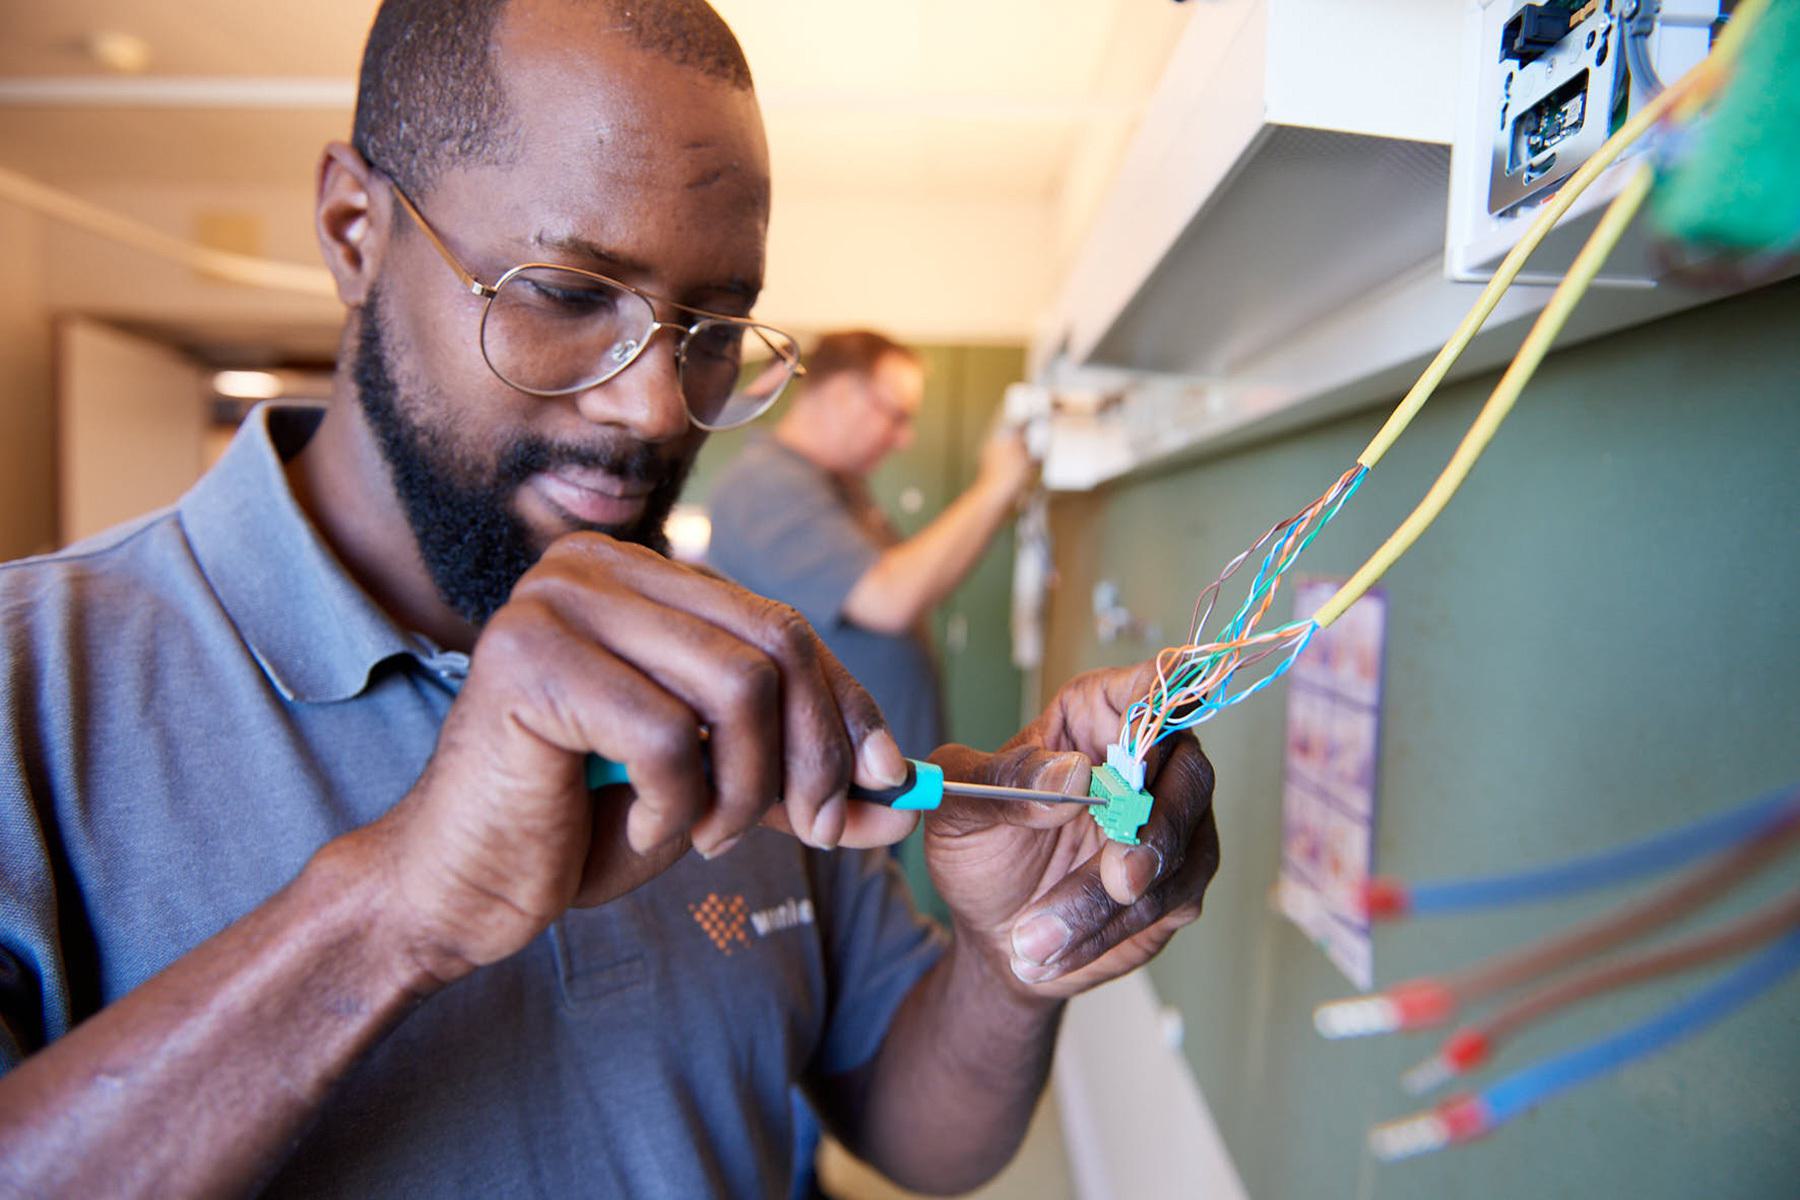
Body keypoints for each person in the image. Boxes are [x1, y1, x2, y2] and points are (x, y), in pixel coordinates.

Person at [0, 2, 1219, 1196]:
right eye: (569, 295)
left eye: (714, 326)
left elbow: (915, 1126)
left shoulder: (732, 667)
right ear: (352, 227)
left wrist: (1014, 964)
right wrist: (396, 915)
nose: (651, 409)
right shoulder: (35, 693)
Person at [707, 331, 1034, 759]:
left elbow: (916, 584)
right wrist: (994, 487)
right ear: (843, 394)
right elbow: (889, 598)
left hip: (865, 787)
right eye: (896, 415)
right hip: (814, 802)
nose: (903, 439)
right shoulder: (765, 486)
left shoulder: (837, 488)